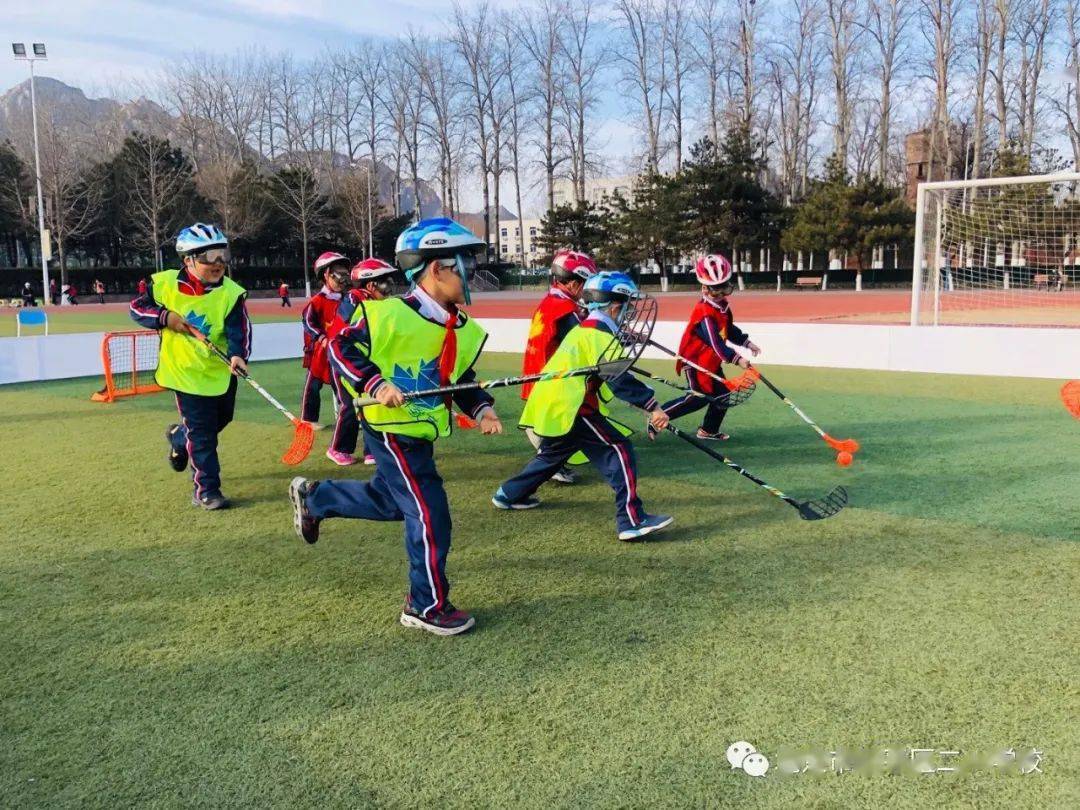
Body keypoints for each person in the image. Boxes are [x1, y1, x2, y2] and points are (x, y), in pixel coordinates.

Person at [289, 218, 502, 636]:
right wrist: (375, 382)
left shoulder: (459, 327)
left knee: (391, 502)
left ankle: (316, 498)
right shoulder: (382, 314)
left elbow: (458, 378)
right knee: (429, 512)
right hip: (390, 430)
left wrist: (480, 408)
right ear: (438, 268)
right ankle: (425, 604)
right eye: (465, 265)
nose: (471, 274)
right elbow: (339, 347)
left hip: (420, 433)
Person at [493, 271, 674, 542]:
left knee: (552, 456)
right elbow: (619, 379)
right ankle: (631, 520)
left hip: (555, 403)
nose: (630, 312)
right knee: (618, 448)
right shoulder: (599, 336)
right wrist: (653, 406)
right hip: (572, 405)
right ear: (614, 306)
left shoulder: (588, 329)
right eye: (627, 306)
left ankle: (509, 494)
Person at [129, 223, 251, 510]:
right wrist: (164, 317)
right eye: (209, 255)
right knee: (203, 434)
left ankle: (178, 436)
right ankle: (206, 489)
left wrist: (238, 355)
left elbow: (239, 329)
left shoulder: (231, 293)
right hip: (184, 372)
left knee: (221, 420)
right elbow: (136, 308)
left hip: (219, 372)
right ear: (188, 260)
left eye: (222, 253)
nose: (218, 262)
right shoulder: (163, 284)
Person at [659, 255, 760, 441]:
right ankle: (657, 415)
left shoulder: (722, 307)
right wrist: (738, 359)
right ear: (704, 288)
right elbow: (716, 342)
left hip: (711, 361)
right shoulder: (704, 313)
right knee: (698, 397)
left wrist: (746, 343)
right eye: (716, 290)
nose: (721, 294)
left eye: (725, 288)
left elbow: (728, 329)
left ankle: (708, 430)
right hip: (695, 362)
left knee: (723, 396)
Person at [519, 249, 598, 485]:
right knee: (556, 435)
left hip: (537, 378)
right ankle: (531, 479)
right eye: (587, 284)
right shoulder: (564, 310)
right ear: (574, 284)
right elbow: (582, 341)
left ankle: (552, 463)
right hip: (550, 383)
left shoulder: (553, 302)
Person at [322, 257, 401, 466]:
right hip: (343, 364)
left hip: (363, 363)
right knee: (349, 405)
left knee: (369, 403)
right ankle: (338, 448)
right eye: (385, 282)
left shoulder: (377, 304)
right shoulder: (354, 300)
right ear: (371, 284)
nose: (390, 287)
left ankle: (371, 449)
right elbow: (342, 337)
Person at [300, 252, 351, 429]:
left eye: (345, 274)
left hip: (341, 351)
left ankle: (348, 416)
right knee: (313, 385)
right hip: (320, 352)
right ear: (326, 275)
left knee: (343, 385)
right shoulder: (317, 301)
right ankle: (308, 419)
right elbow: (308, 321)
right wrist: (320, 337)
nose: (342, 279)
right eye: (338, 274)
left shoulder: (348, 299)